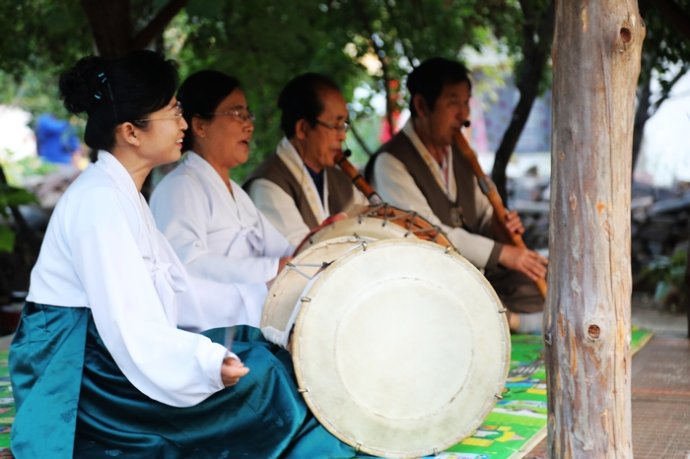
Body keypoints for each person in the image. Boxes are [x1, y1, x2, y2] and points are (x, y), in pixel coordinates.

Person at [8, 50, 357, 459]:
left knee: (267, 354)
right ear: (131, 132)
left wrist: (263, 319)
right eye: (173, 112)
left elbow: (179, 288)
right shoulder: (100, 201)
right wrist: (202, 362)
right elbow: (128, 324)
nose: (182, 124)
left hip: (114, 352)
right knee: (267, 380)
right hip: (81, 375)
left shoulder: (123, 193)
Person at [366, 57, 548, 333]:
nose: (464, 116)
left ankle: (497, 318)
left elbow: (485, 212)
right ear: (421, 106)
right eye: (453, 103)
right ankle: (507, 321)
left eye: (466, 103)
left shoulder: (458, 154)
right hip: (429, 280)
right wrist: (503, 253)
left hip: (476, 273)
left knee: (547, 275)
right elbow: (426, 232)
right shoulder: (391, 162)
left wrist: (500, 229)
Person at [150, 70, 292, 332]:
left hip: (247, 327)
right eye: (237, 114)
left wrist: (317, 245)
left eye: (248, 115)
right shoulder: (181, 187)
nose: (248, 125)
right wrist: (271, 268)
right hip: (212, 339)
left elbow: (282, 252)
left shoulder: (237, 193)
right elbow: (187, 264)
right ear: (200, 126)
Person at [244, 72, 369, 246]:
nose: (342, 136)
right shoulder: (268, 185)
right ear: (303, 128)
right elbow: (299, 254)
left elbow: (370, 226)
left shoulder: (341, 178)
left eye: (343, 126)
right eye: (335, 125)